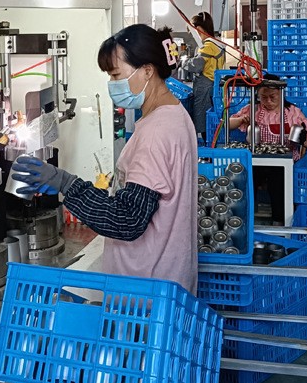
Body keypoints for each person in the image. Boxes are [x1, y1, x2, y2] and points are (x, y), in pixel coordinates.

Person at [11, 24, 198, 294]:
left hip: (145, 293)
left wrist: (66, 184)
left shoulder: (156, 132)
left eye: (116, 75)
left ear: (147, 70)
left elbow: (127, 219)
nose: (112, 84)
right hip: (165, 281)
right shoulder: (174, 114)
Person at [227, 81, 307, 225]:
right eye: (264, 97)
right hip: (257, 159)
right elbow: (226, 125)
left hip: (284, 161)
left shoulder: (293, 112)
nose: (268, 101)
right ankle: (244, 219)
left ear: (281, 94)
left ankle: (279, 221)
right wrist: (242, 119)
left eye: (272, 97)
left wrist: (302, 138)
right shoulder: (253, 109)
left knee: (278, 181)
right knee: (246, 178)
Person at [183, 12, 225, 140]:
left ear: (198, 29)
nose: (191, 34)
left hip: (205, 87)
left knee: (204, 121)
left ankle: (207, 147)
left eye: (192, 31)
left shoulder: (208, 46)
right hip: (213, 85)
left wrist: (184, 62)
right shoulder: (217, 43)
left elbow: (197, 65)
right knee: (210, 120)